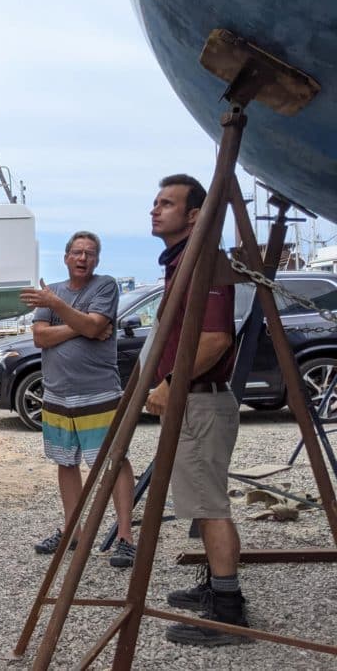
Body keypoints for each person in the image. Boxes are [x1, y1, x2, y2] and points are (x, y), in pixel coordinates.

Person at [146, 174, 248, 646]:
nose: (155, 209)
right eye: (155, 202)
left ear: (192, 215)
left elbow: (214, 339)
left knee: (210, 507)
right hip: (196, 402)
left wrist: (169, 384)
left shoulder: (200, 259)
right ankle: (216, 587)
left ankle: (228, 613)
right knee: (204, 505)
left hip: (200, 402)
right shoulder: (182, 261)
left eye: (167, 203)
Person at [20, 231, 137, 568]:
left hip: (98, 391)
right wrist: (83, 326)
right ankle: (73, 530)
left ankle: (125, 536)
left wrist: (63, 311)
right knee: (66, 461)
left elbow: (95, 323)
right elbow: (41, 337)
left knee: (113, 461)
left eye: (90, 253)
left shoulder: (104, 286)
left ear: (97, 260)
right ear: (66, 257)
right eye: (77, 252)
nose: (83, 258)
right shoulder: (52, 290)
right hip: (57, 393)